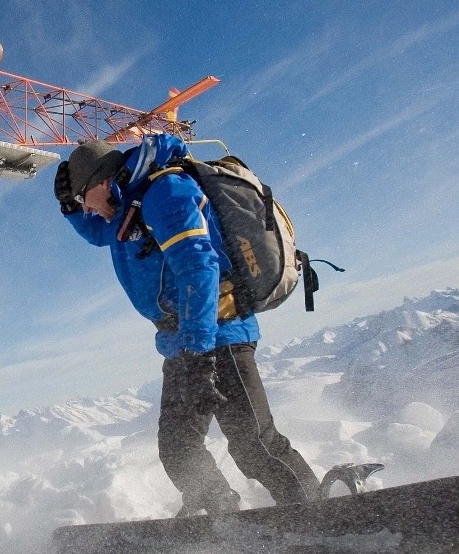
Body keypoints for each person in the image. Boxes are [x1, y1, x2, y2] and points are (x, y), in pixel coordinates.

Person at [54, 133, 321, 514]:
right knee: (179, 448)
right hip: (184, 343)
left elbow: (199, 268)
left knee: (254, 445)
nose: (89, 210)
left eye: (84, 200)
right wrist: (69, 206)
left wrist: (199, 353)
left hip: (218, 334)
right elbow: (99, 231)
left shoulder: (165, 192)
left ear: (100, 182)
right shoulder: (126, 203)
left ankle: (319, 515)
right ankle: (223, 516)